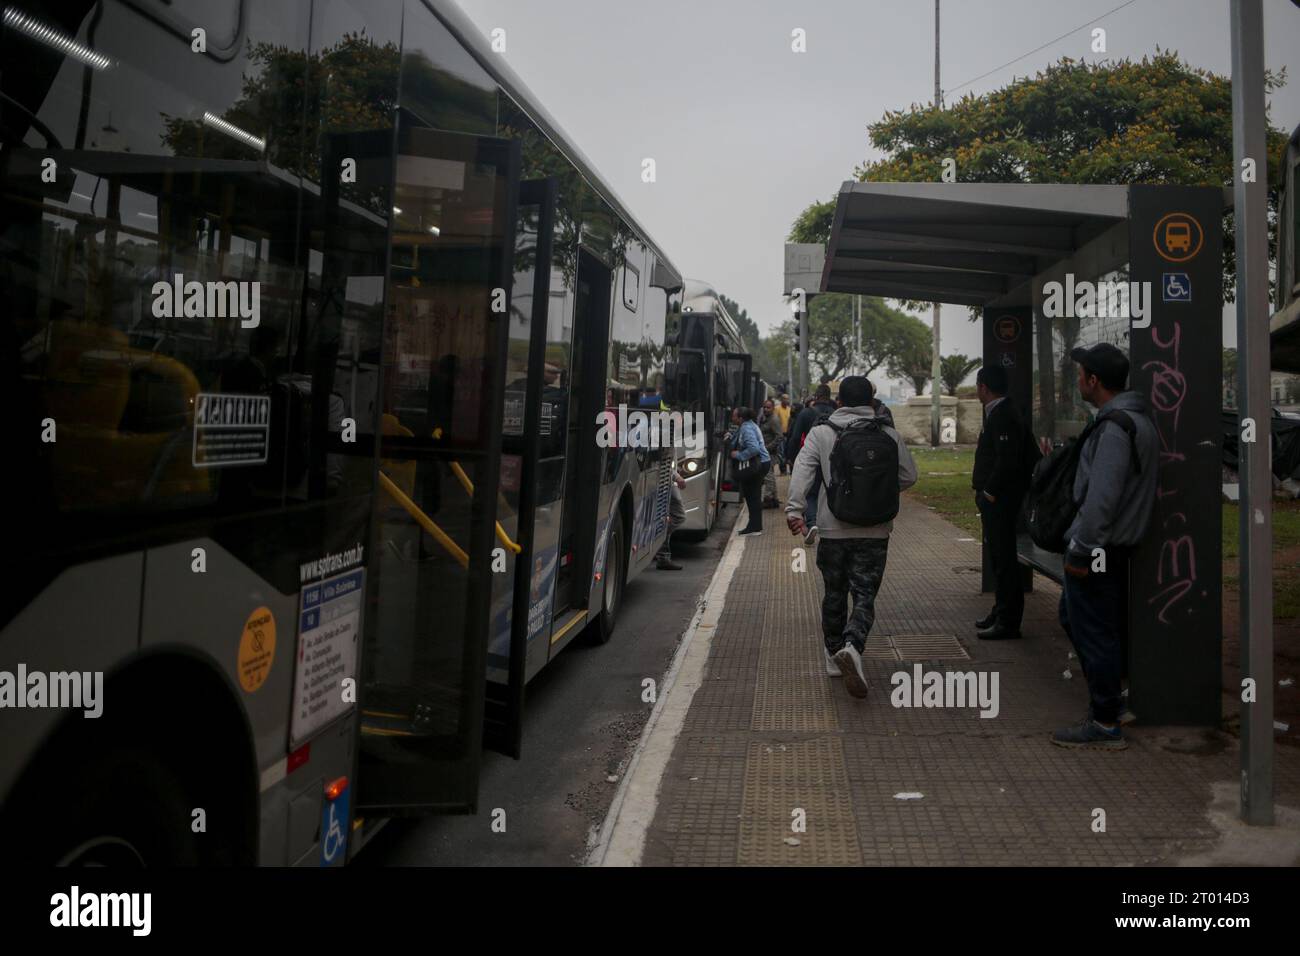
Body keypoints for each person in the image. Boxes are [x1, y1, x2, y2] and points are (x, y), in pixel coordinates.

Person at [1051, 343, 1157, 751]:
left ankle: (1105, 721)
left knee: (1094, 631)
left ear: (1094, 381)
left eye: (1080, 375)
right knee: (1077, 619)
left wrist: (1081, 549)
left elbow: (1103, 499)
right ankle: (1111, 696)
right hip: (1111, 547)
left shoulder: (1116, 427)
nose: (1078, 381)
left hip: (1099, 548)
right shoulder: (1133, 420)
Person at [786, 377, 917, 699]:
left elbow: (802, 470)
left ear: (839, 401)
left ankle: (834, 656)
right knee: (864, 594)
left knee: (834, 592)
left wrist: (795, 510)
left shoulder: (822, 432)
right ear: (872, 401)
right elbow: (908, 476)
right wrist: (875, 494)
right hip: (875, 530)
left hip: (832, 528)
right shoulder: (888, 433)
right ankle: (853, 647)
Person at [971, 366, 1033, 640]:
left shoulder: (1004, 415)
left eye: (977, 386)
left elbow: (1007, 460)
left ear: (983, 386)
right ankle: (1000, 610)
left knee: (1005, 559)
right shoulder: (998, 412)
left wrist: (989, 493)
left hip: (1001, 500)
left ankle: (1009, 621)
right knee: (998, 558)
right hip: (996, 499)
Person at [784, 384, 837, 543]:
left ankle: (812, 522)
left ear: (816, 396)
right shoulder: (836, 414)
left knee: (811, 493)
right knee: (828, 491)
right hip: (831, 459)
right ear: (829, 397)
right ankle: (828, 524)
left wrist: (790, 458)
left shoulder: (806, 413)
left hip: (810, 458)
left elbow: (794, 437)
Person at [729, 406, 771, 535]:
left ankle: (754, 527)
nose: (732, 417)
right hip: (762, 463)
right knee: (754, 495)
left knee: (752, 496)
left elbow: (754, 449)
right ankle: (755, 525)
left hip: (757, 465)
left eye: (734, 415)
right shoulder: (748, 425)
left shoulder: (746, 428)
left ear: (740, 418)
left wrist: (739, 455)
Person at [759, 398, 783, 507]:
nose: (765, 409)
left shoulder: (774, 420)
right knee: (769, 475)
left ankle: (768, 499)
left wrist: (767, 448)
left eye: (768, 407)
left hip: (770, 453)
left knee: (767, 476)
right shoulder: (765, 419)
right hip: (765, 452)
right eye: (764, 407)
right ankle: (774, 499)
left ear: (773, 408)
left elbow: (779, 437)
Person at [774, 394, 793, 472]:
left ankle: (785, 467)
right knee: (781, 452)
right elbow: (775, 421)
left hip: (787, 435)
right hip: (780, 434)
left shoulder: (789, 409)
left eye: (787, 399)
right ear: (781, 399)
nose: (786, 400)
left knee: (786, 451)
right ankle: (783, 469)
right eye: (785, 399)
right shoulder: (777, 409)